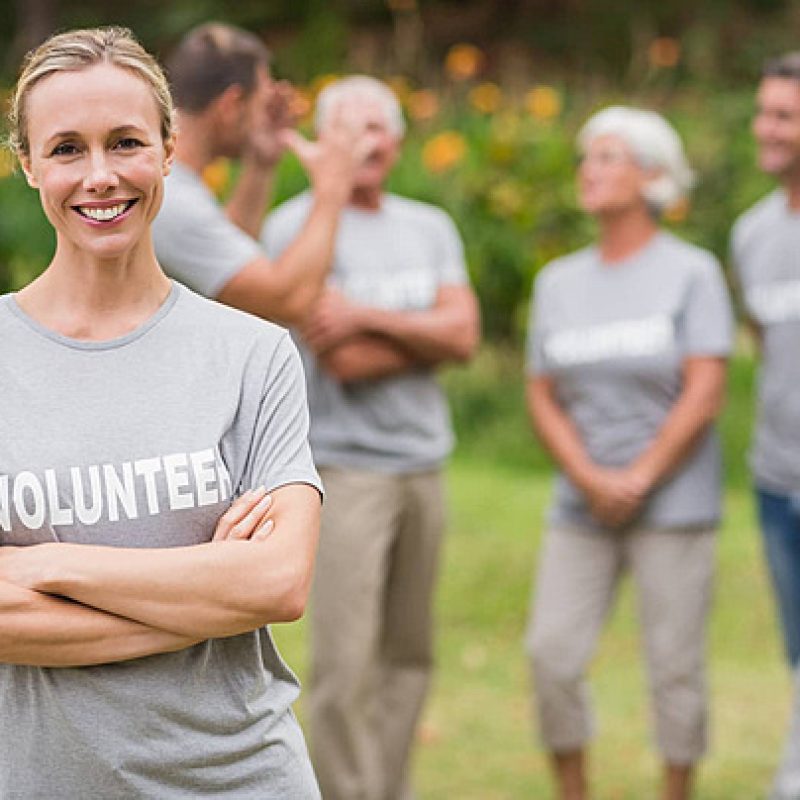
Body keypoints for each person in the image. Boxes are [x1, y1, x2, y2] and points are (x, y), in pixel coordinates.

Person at [0, 26, 323, 798]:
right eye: (68, 149)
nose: (101, 176)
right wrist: (210, 593)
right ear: (27, 164)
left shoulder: (254, 354)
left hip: (243, 779)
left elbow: (278, 584)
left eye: (126, 142)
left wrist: (46, 567)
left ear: (171, 149)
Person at [262, 75, 480, 800]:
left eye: (379, 129)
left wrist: (371, 316)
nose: (368, 144)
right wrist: (425, 334)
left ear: (398, 141)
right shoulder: (297, 228)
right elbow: (342, 358)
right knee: (346, 664)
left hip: (425, 464)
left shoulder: (429, 226)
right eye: (350, 131)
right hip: (345, 470)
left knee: (409, 654)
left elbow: (466, 335)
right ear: (325, 144)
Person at [524, 107, 733, 800]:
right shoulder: (558, 283)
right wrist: (589, 477)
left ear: (653, 177)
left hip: (673, 505)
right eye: (588, 157)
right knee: (550, 655)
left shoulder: (692, 273)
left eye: (609, 157)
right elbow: (542, 394)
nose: (590, 169)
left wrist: (640, 476)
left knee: (674, 665)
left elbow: (704, 391)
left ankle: (677, 788)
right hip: (580, 505)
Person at [152, 22, 374, 325]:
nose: (263, 118)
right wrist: (333, 187)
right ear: (231, 105)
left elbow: (227, 261)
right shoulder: (172, 197)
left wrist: (260, 164)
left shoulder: (176, 183)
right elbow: (287, 303)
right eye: (260, 104)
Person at [730, 52, 800, 800]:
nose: (766, 128)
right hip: (777, 480)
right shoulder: (751, 234)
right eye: (763, 112)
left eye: (783, 114)